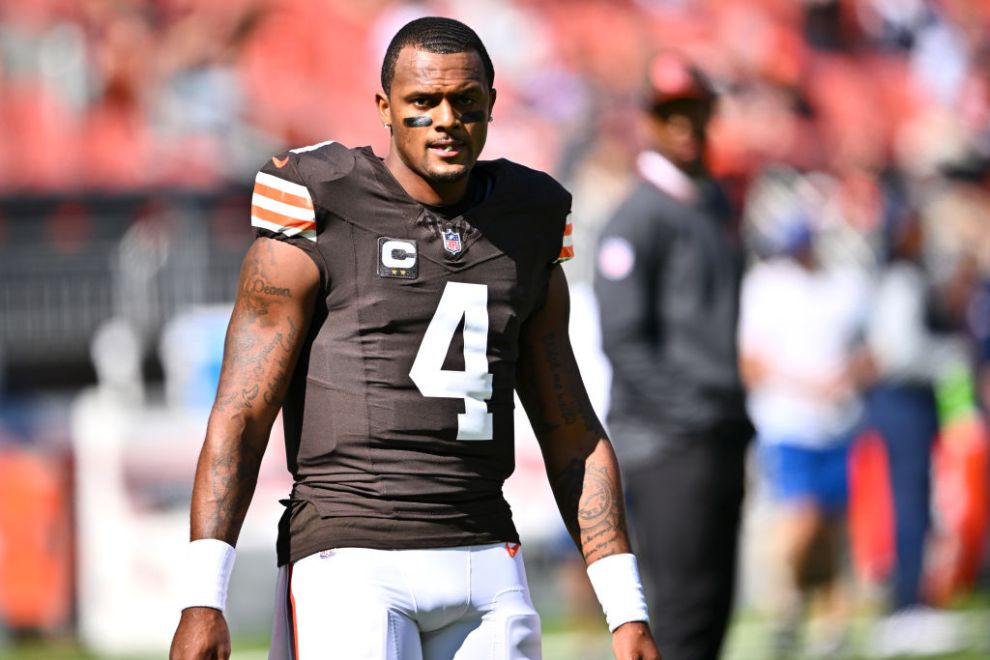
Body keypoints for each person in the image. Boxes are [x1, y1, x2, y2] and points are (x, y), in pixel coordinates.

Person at [169, 16, 660, 660]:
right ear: (385, 108)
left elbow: (571, 430)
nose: (446, 120)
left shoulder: (528, 218)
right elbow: (242, 411)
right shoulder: (322, 202)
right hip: (353, 556)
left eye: (465, 101)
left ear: (491, 102)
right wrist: (204, 596)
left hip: (486, 555)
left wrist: (626, 610)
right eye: (423, 102)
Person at [593, 53, 753, 660]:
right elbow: (624, 341)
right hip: (667, 440)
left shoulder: (709, 205)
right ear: (650, 120)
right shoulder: (638, 218)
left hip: (714, 433)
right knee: (682, 615)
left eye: (692, 109)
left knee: (712, 612)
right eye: (669, 112)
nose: (683, 125)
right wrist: (693, 413)